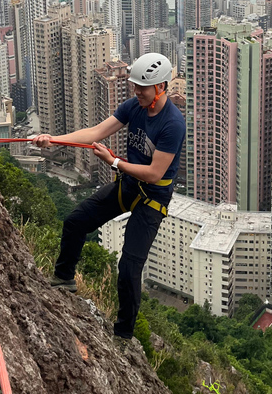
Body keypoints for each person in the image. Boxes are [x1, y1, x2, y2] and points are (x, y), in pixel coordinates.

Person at [32, 53, 185, 342]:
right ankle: (64, 279)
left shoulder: (172, 124)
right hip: (128, 185)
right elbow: (96, 132)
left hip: (152, 199)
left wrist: (113, 163)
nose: (136, 91)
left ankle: (123, 336)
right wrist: (54, 139)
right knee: (75, 221)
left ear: (161, 87)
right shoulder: (134, 107)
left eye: (143, 87)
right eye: (136, 86)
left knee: (129, 267)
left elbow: (154, 173)